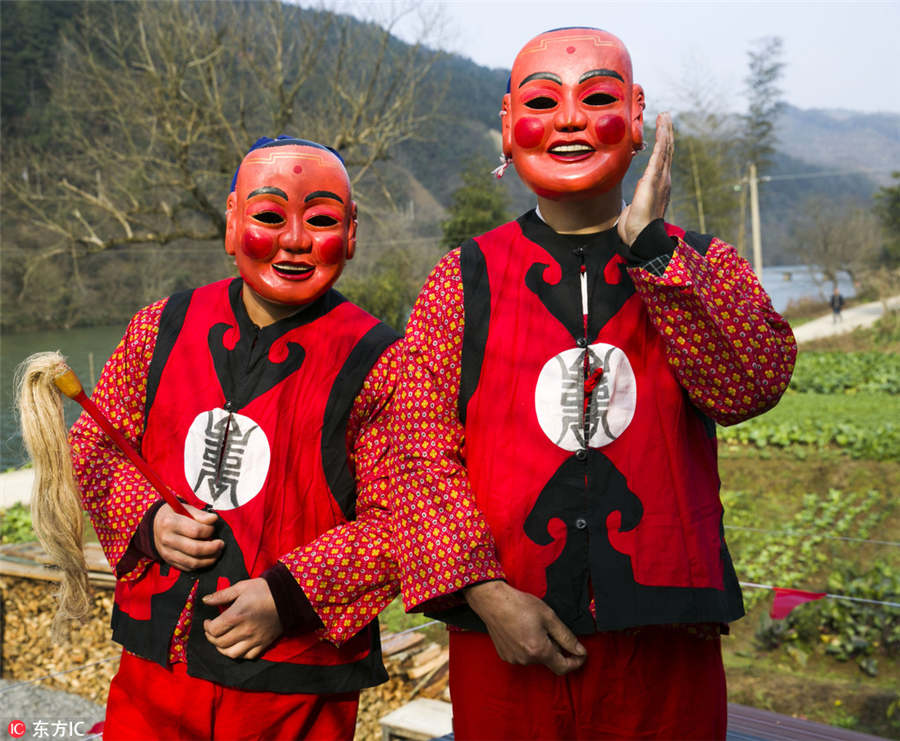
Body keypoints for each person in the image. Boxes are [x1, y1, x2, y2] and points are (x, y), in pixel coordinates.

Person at [391, 28, 798, 740]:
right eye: (544, 102)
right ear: (508, 127)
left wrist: (653, 251)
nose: (572, 120)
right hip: (505, 640)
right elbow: (413, 452)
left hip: (665, 644)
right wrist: (485, 594)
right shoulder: (463, 278)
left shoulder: (697, 263)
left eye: (599, 98)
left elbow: (750, 385)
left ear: (637, 118)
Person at [69, 136, 402, 740]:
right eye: (269, 216)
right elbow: (95, 447)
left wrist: (289, 596)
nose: (295, 240)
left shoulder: (381, 359)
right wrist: (150, 523)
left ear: (352, 232)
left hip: (294, 683)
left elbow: (411, 513)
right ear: (232, 222)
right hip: (154, 671)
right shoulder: (160, 328)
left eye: (321, 220)